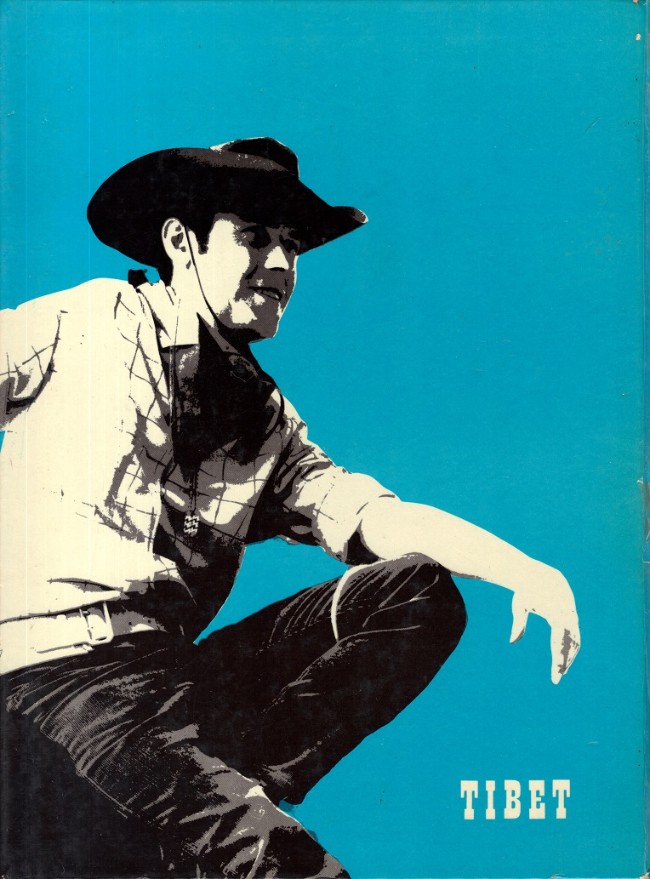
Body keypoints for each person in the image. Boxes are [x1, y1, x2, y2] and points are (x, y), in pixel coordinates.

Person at [0, 138, 580, 878]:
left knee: (415, 591)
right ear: (180, 242)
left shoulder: (266, 423)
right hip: (57, 684)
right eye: (253, 237)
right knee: (288, 865)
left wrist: (525, 569)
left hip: (173, 690)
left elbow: (378, 518)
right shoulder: (87, 322)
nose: (279, 265)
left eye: (293, 247)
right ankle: (223, 824)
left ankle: (216, 800)